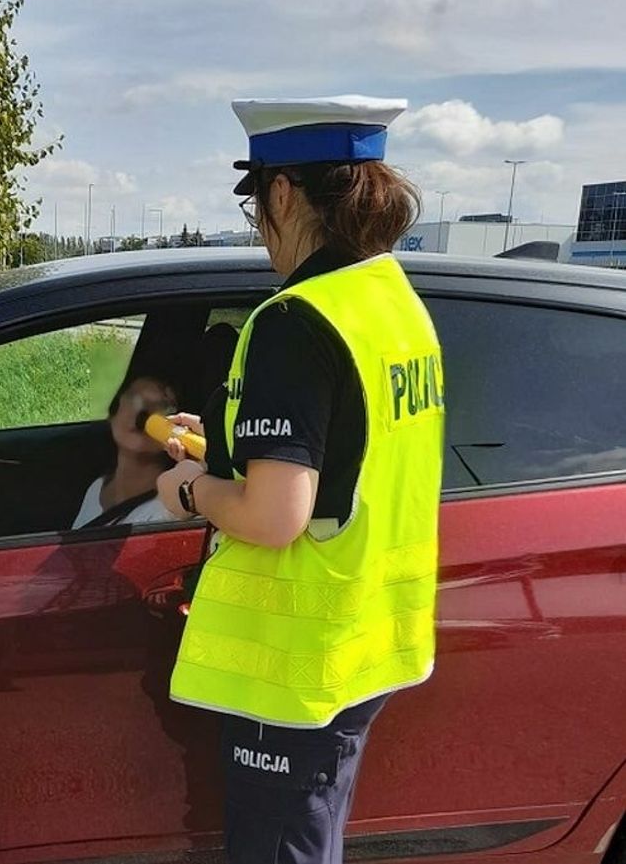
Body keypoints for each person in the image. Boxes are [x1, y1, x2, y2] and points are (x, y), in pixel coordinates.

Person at [156, 96, 445, 864]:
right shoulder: (393, 302)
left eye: (259, 208)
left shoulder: (296, 320)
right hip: (362, 648)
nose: (261, 232)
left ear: (282, 193)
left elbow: (278, 512)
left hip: (293, 672)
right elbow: (349, 446)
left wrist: (189, 489)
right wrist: (222, 441)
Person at [71, 374, 179, 529]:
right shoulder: (97, 488)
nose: (142, 412)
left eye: (163, 406)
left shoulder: (166, 513)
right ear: (113, 413)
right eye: (133, 398)